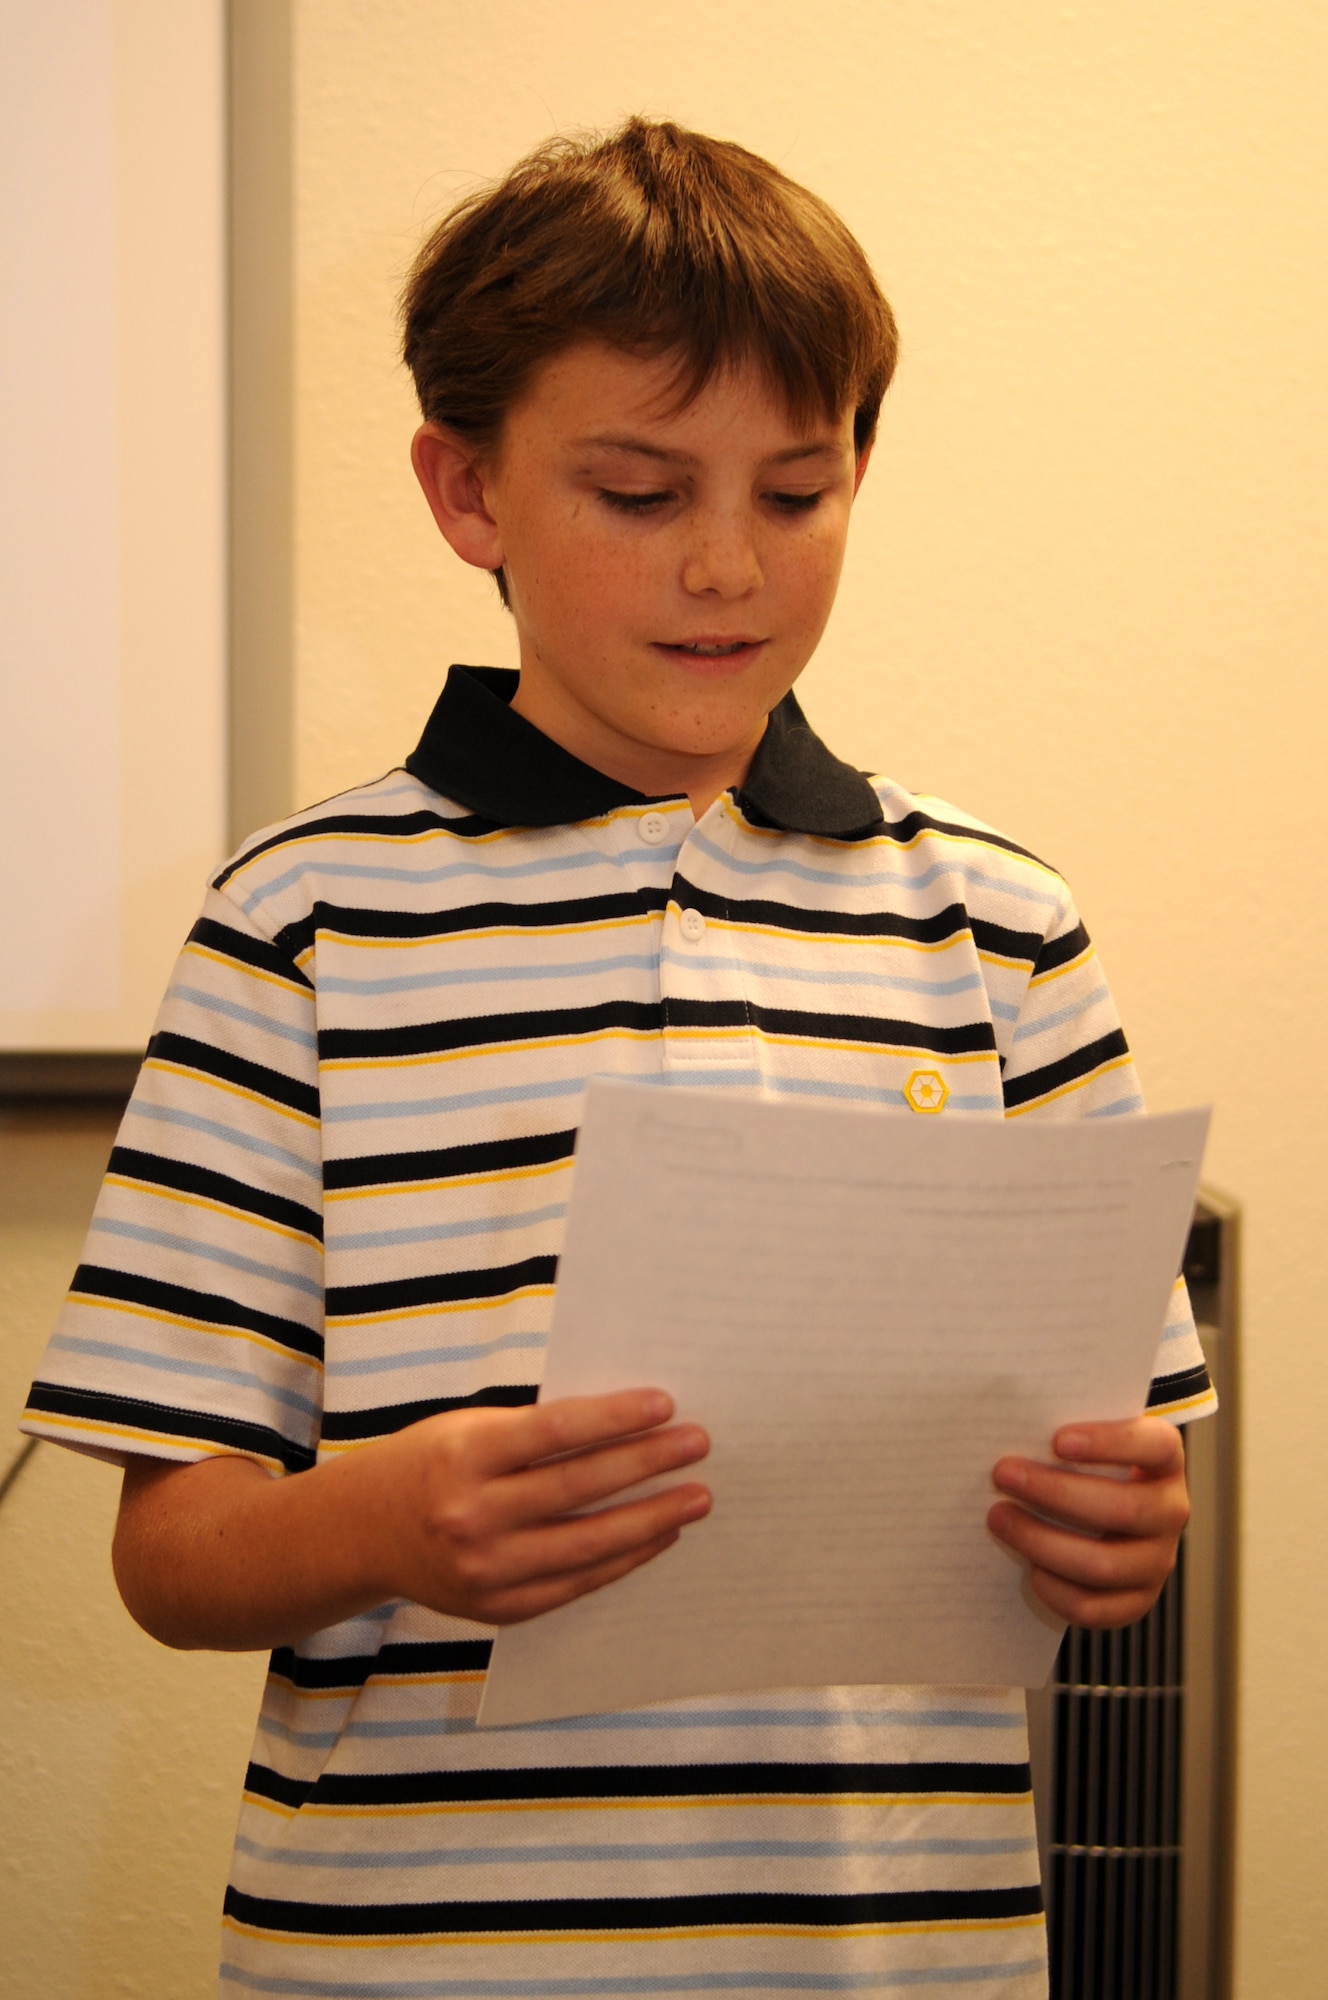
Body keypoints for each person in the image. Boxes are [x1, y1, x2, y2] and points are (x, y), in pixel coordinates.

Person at [21, 117, 1213, 1998]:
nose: (730, 567)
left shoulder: (999, 925)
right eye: (641, 495)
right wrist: (400, 1516)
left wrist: (1120, 1523)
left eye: (799, 495)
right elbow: (172, 1557)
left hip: (897, 1961)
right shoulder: (302, 926)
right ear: (466, 491)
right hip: (403, 1960)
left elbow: (1114, 1476)